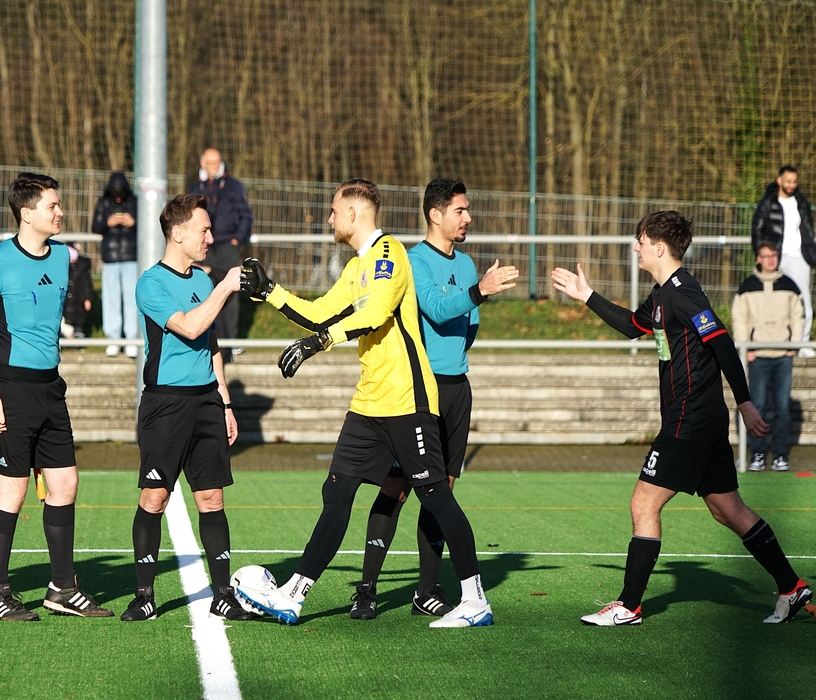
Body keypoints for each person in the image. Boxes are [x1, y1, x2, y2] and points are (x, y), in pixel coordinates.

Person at [236, 178, 493, 628]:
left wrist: (319, 343)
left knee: (435, 495)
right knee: (337, 493)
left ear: (353, 214)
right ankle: (293, 595)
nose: (330, 219)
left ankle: (475, 600)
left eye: (334, 211)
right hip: (370, 402)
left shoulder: (389, 252)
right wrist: (269, 290)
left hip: (407, 400)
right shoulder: (356, 266)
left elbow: (375, 314)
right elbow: (321, 311)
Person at [551, 210, 812, 626]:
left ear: (659, 248)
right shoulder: (661, 295)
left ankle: (628, 607)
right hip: (698, 418)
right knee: (727, 509)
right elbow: (633, 326)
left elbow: (722, 342)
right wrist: (588, 296)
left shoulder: (683, 292)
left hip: (691, 418)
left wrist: (745, 402)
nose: (635, 248)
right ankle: (791, 586)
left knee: (643, 502)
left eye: (640, 241)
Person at [350, 179, 518, 620]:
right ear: (435, 214)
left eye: (467, 209)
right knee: (396, 487)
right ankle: (366, 589)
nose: (468, 218)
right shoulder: (411, 261)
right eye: (460, 210)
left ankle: (425, 591)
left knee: (441, 491)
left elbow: (469, 326)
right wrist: (480, 291)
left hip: (457, 389)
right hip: (417, 392)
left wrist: (472, 303)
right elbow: (439, 310)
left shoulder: (467, 264)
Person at [0, 172, 112, 621]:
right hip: (10, 390)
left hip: (52, 388)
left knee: (65, 485)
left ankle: (62, 588)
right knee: (12, 492)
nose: (60, 212)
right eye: (52, 206)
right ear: (26, 213)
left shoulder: (63, 257)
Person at [120, 193, 252, 623]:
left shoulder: (202, 281)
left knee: (212, 498)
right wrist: (227, 285)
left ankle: (222, 593)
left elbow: (211, 345)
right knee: (155, 497)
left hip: (207, 402)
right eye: (204, 230)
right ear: (177, 234)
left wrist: (225, 402)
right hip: (166, 404)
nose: (211, 238)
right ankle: (144, 595)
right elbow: (191, 327)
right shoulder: (151, 283)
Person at [732, 240, 804, 472]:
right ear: (758, 259)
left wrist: (794, 346)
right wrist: (747, 348)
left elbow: (798, 316)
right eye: (766, 256)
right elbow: (740, 318)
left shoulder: (790, 286)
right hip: (758, 357)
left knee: (782, 408)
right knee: (758, 406)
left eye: (773, 255)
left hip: (783, 355)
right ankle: (758, 454)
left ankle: (780, 455)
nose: (770, 260)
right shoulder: (747, 287)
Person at [187, 148, 253, 363]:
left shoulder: (233, 186)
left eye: (217, 161)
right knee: (203, 291)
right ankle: (207, 337)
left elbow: (245, 215)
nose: (214, 166)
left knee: (231, 292)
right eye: (210, 162)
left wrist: (237, 239)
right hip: (203, 246)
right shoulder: (195, 187)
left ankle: (230, 340)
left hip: (226, 246)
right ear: (202, 163)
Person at [751, 166, 816, 358]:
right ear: (779, 180)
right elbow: (757, 230)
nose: (792, 185)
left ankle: (803, 343)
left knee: (803, 299)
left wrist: (810, 250)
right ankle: (771, 343)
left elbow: (808, 228)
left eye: (795, 181)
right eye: (788, 181)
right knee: (773, 300)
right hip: (776, 257)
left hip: (798, 257)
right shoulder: (767, 203)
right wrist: (761, 253)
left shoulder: (801, 202)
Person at [92, 172, 138, 357]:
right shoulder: (103, 202)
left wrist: (133, 222)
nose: (118, 197)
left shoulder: (135, 202)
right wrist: (107, 222)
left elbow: (149, 225)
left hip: (132, 257)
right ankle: (113, 339)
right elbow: (95, 226)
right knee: (111, 299)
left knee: (131, 298)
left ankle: (131, 339)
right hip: (110, 258)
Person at [62, 243, 94, 339]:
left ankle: (78, 335)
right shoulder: (63, 268)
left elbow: (87, 285)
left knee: (78, 320)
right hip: (65, 302)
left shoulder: (82, 269)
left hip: (78, 301)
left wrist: (88, 298)